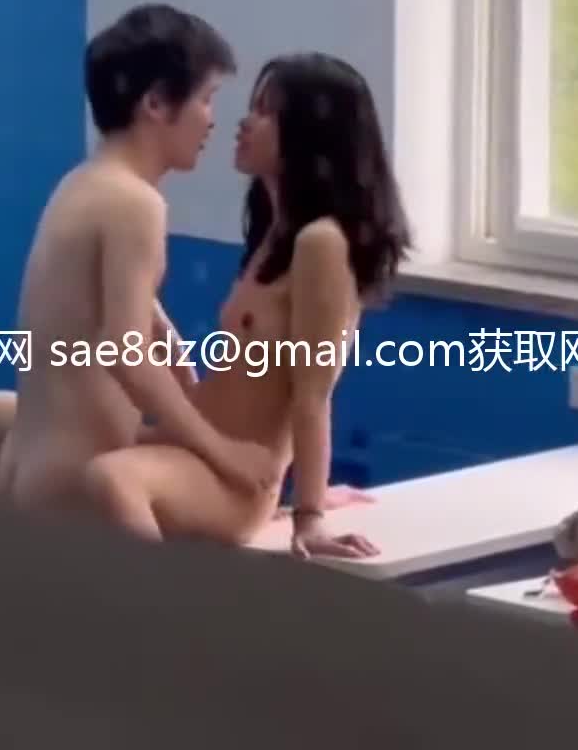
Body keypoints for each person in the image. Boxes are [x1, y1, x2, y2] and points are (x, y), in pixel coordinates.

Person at [80, 52, 411, 559]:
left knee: (111, 478)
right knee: (33, 431)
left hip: (236, 484)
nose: (244, 122)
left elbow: (313, 394)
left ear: (309, 133)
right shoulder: (274, 235)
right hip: (198, 450)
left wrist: (309, 516)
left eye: (266, 111)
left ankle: (160, 607)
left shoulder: (322, 243)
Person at [0, 4, 283, 516]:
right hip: (72, 488)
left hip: (27, 469)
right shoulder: (137, 205)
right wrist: (222, 451)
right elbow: (126, 354)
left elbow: (127, 313)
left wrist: (181, 368)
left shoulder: (81, 184)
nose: (211, 120)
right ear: (155, 103)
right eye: (206, 99)